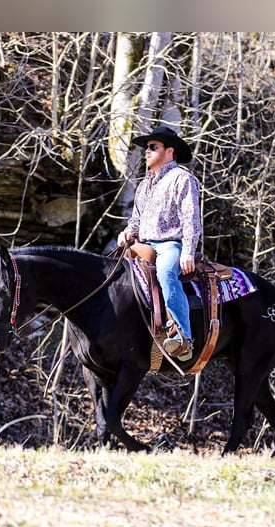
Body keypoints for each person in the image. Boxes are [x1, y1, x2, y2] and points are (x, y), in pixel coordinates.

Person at [117, 125, 202, 361]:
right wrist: (127, 232)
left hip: (170, 245)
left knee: (166, 273)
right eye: (147, 147)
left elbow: (191, 218)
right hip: (143, 245)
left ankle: (182, 336)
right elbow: (136, 219)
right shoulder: (144, 185)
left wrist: (187, 251)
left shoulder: (183, 179)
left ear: (169, 151)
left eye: (153, 147)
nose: (147, 151)